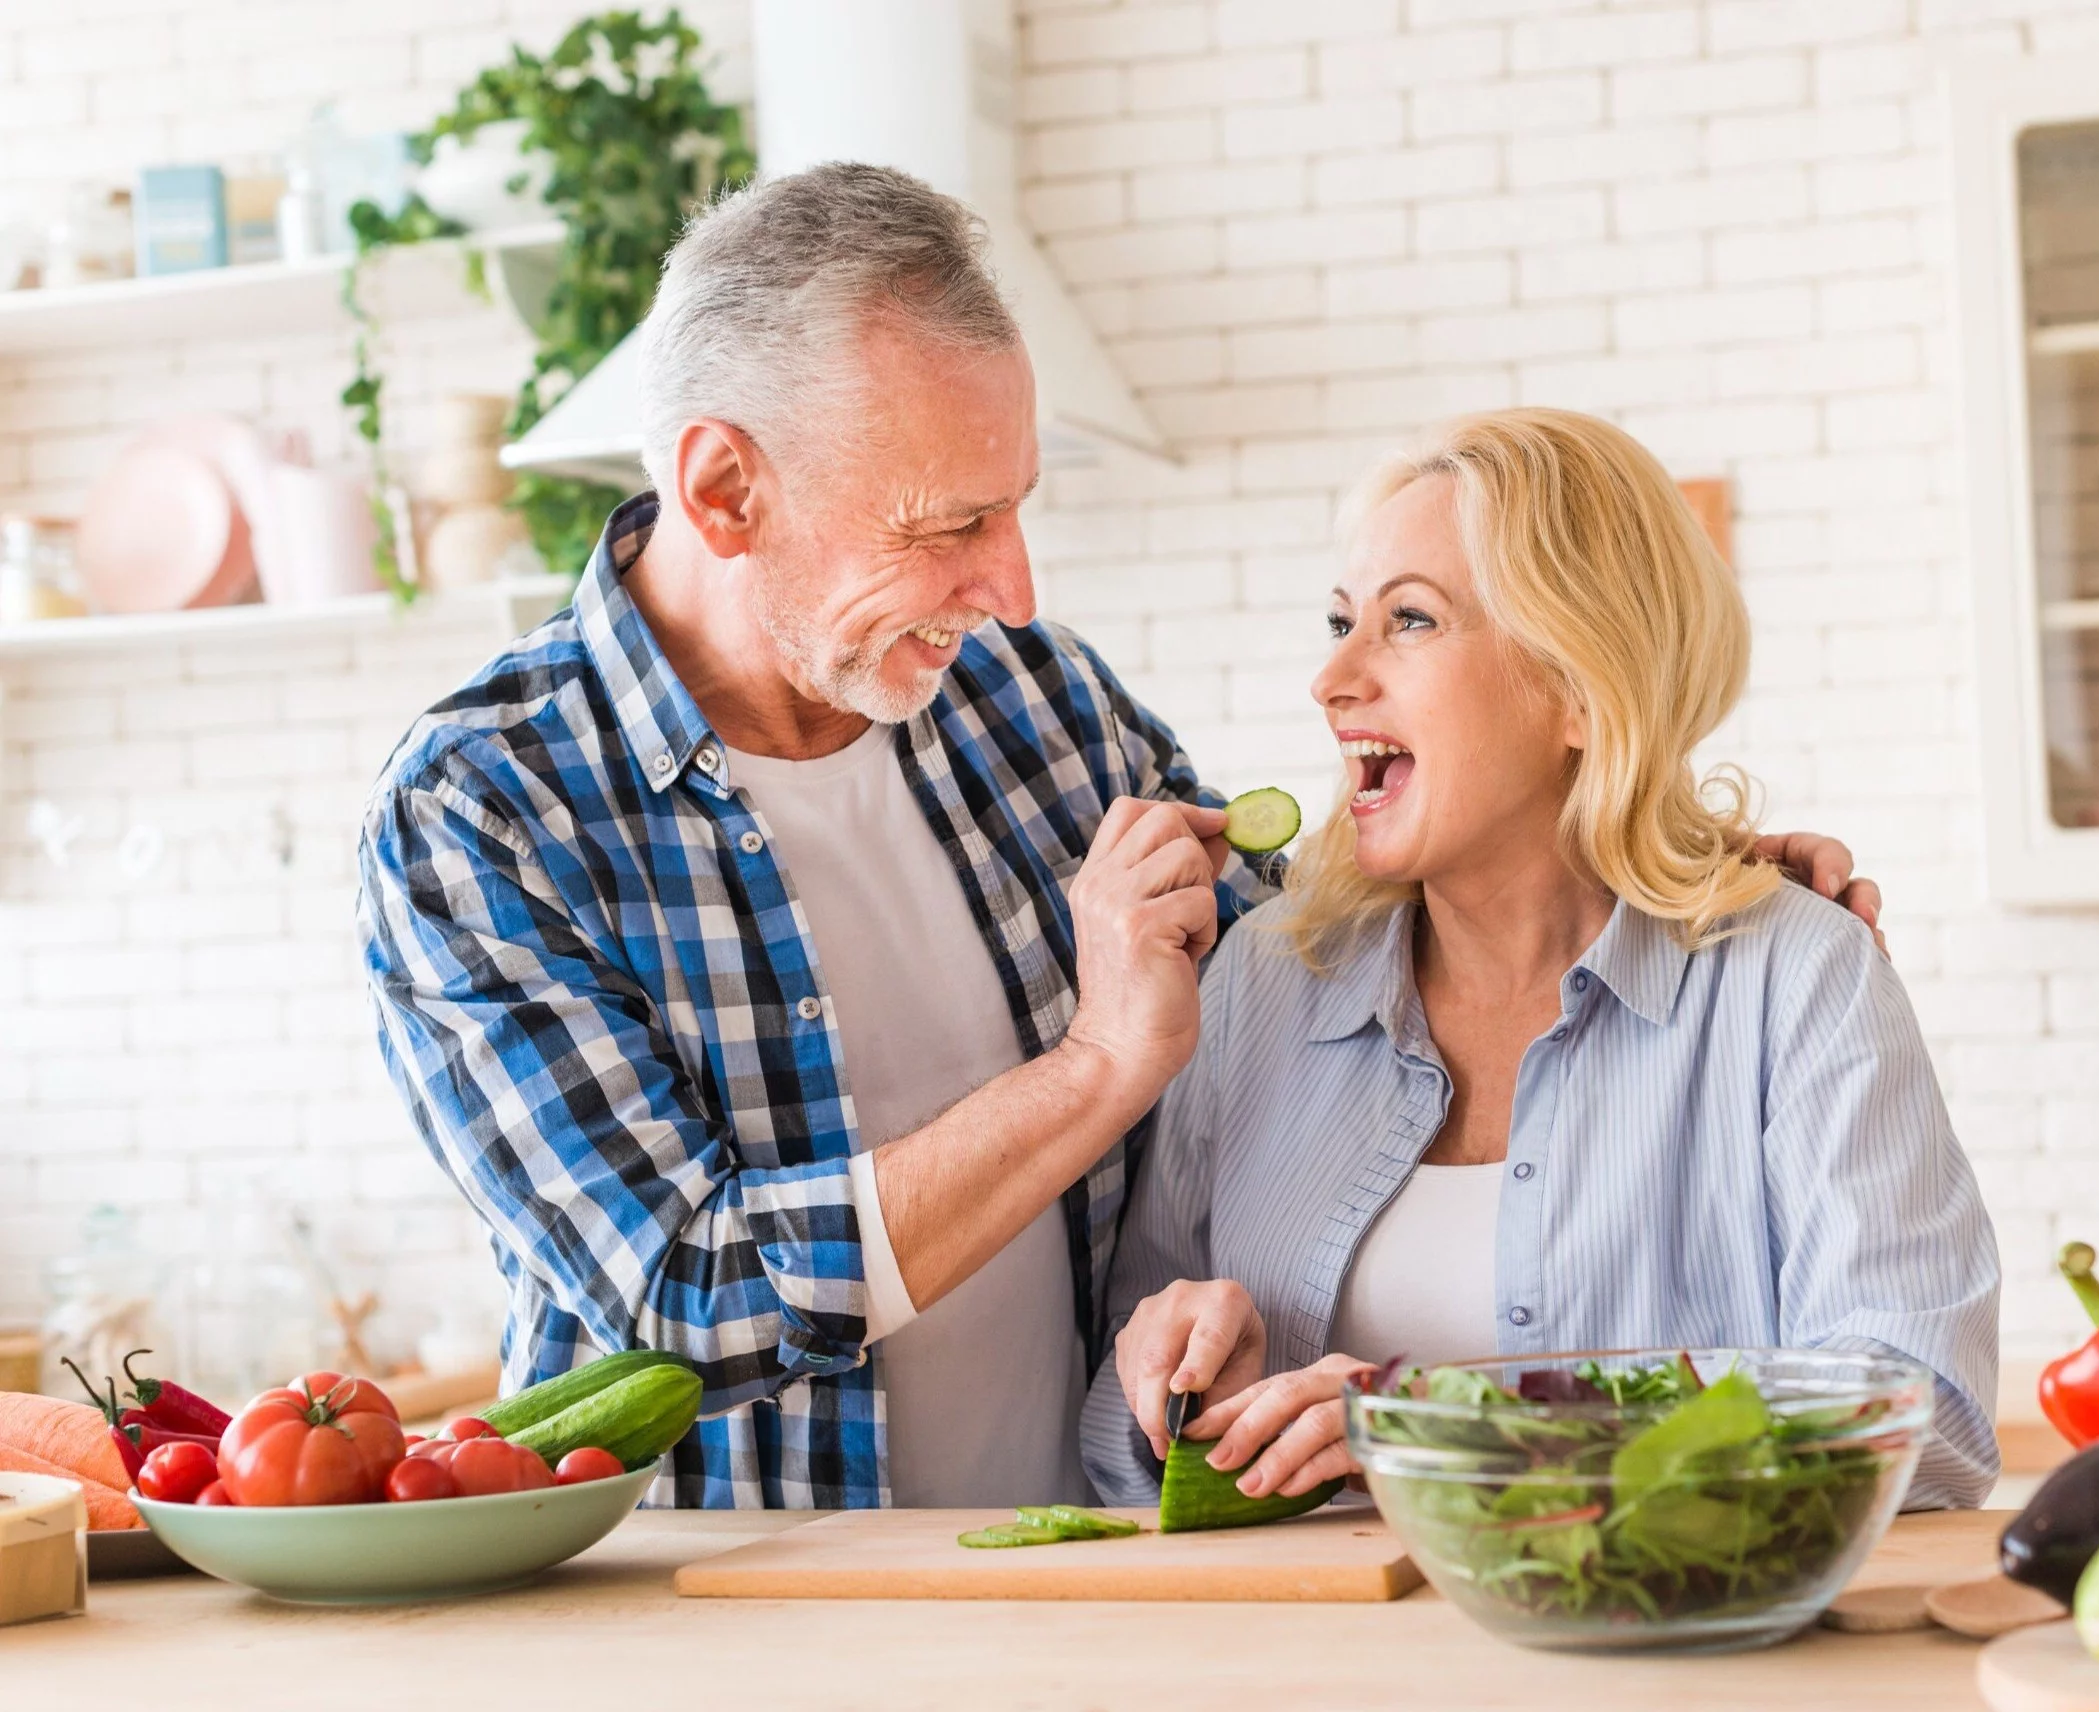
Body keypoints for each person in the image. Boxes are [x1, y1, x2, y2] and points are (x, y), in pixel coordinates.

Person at [357, 164, 1882, 1510]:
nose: (1010, 588)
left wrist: (1680, 873)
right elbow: (680, 1303)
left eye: (1014, 510)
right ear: (725, 486)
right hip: (730, 1617)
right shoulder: (485, 813)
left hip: (1073, 1562)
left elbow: (1325, 954)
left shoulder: (1033, 702)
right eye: (948, 525)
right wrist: (1095, 1071)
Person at [1081, 408, 1999, 1515]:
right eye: (1339, 621)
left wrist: (1473, 1430)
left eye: (1408, 619)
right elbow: (1113, 1442)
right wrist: (1179, 1395)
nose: (1332, 678)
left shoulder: (1795, 977)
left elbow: (1920, 1410)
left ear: (1577, 683)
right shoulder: (1264, 982)